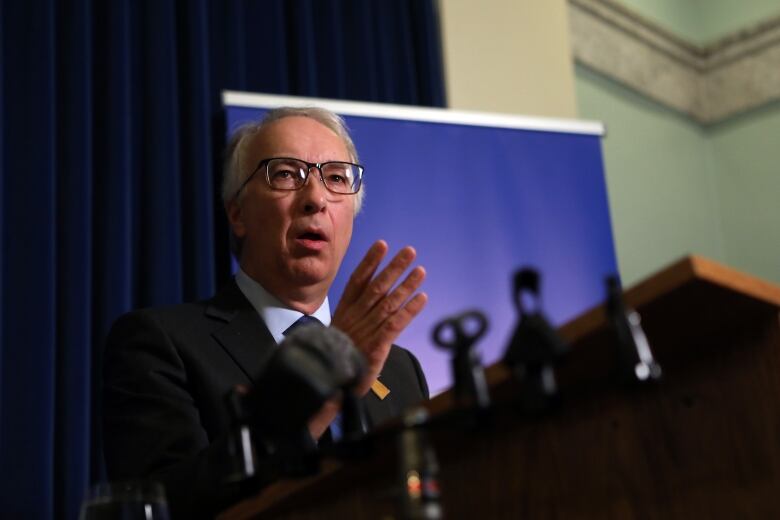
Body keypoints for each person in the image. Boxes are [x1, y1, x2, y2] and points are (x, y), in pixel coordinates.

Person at [102, 107, 430, 519]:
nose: (315, 198)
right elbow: (167, 504)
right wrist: (322, 381)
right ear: (237, 213)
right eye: (286, 174)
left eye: (335, 177)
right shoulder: (159, 343)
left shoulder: (401, 372)